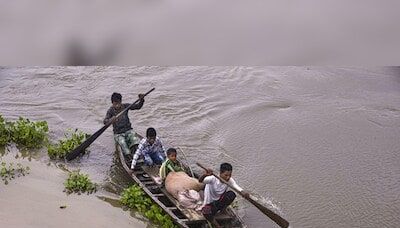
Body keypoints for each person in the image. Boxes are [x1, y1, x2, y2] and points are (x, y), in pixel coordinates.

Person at [199, 163, 249, 228]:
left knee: (231, 194)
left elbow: (236, 186)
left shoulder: (230, 180)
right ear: (220, 173)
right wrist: (205, 174)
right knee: (205, 212)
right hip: (210, 204)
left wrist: (243, 192)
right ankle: (217, 226)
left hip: (219, 202)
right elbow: (200, 180)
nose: (228, 177)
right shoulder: (212, 179)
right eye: (226, 175)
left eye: (230, 175)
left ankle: (223, 210)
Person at [103, 92, 145, 157]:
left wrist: (141, 100)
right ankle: (128, 156)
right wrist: (111, 120)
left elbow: (138, 106)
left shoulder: (125, 106)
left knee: (135, 140)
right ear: (112, 103)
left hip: (128, 130)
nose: (117, 105)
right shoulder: (110, 111)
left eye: (118, 103)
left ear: (121, 101)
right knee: (123, 144)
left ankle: (137, 153)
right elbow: (105, 121)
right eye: (115, 103)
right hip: (118, 133)